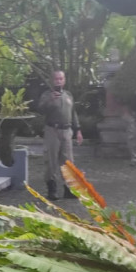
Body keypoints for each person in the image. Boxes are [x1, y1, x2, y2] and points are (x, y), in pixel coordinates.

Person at [36, 70, 83, 200]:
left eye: (61, 79)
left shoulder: (68, 95)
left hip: (67, 131)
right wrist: (50, 100)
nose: (58, 81)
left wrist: (78, 130)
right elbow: (40, 110)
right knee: (51, 161)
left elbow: (73, 114)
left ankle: (68, 189)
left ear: (64, 80)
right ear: (52, 80)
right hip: (52, 130)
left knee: (68, 162)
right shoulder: (46, 95)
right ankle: (52, 189)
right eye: (56, 79)